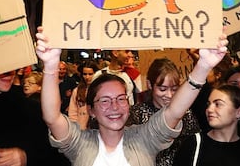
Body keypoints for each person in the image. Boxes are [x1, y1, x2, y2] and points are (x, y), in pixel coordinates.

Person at [35, 26, 228, 166]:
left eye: (121, 99)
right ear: (91, 110)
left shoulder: (143, 138)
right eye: (104, 100)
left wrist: (203, 66)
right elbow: (52, 117)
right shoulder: (79, 143)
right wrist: (51, 66)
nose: (114, 106)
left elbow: (174, 112)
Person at [128, 58, 200, 166]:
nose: (169, 95)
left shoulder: (186, 114)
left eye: (174, 89)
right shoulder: (136, 113)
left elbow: (195, 148)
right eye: (162, 89)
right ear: (149, 85)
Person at [173, 84, 240, 166]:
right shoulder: (193, 144)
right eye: (208, 104)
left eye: (218, 104)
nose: (209, 109)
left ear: (239, 112)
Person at [0, 70, 70, 166]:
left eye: (11, 66)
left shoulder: (28, 108)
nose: (9, 72)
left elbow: (56, 154)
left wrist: (26, 157)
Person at [68, 60, 100, 129]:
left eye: (90, 74)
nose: (87, 77)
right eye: (85, 74)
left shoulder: (101, 90)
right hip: (81, 128)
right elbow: (72, 112)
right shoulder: (77, 91)